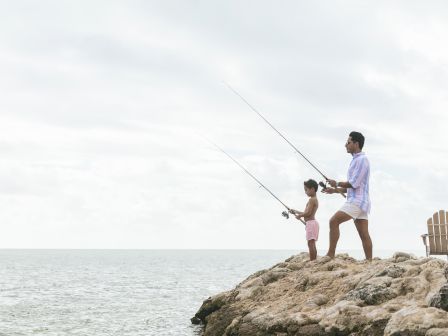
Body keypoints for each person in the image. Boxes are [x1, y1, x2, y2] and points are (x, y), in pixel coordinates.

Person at [322, 131, 373, 261]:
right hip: (360, 201)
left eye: (348, 142)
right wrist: (334, 190)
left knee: (333, 221)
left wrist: (336, 182)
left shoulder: (362, 160)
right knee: (364, 234)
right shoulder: (356, 160)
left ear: (356, 144)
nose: (345, 145)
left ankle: (330, 254)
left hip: (357, 201)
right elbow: (353, 186)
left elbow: (354, 183)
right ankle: (369, 261)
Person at [289, 179, 320, 261]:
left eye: (306, 190)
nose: (305, 192)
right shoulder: (314, 199)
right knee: (312, 243)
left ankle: (312, 261)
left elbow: (308, 213)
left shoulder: (312, 199)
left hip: (311, 223)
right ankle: (314, 260)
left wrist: (299, 216)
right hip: (312, 223)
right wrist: (295, 211)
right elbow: (306, 212)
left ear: (312, 189)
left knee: (310, 243)